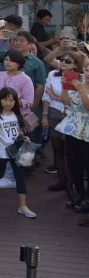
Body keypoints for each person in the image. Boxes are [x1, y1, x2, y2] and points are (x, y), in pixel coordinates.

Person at [0, 50, 36, 188]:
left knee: (11, 147)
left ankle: (10, 177)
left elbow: (29, 102)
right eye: (6, 59)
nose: (8, 62)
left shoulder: (25, 79)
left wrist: (10, 100)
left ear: (19, 63)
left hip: (14, 119)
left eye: (11, 60)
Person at [0, 87, 37, 218]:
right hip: (1, 151)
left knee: (20, 177)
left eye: (11, 100)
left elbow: (20, 131)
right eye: (5, 100)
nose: (8, 103)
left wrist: (24, 138)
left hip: (16, 151)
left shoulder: (17, 115)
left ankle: (23, 206)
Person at [42, 50, 88, 193]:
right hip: (62, 118)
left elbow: (83, 105)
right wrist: (45, 114)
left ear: (76, 65)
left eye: (68, 61)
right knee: (62, 153)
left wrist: (78, 90)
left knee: (78, 157)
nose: (63, 62)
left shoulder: (79, 80)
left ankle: (77, 191)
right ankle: (66, 185)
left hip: (77, 120)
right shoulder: (54, 75)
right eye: (62, 59)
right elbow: (55, 98)